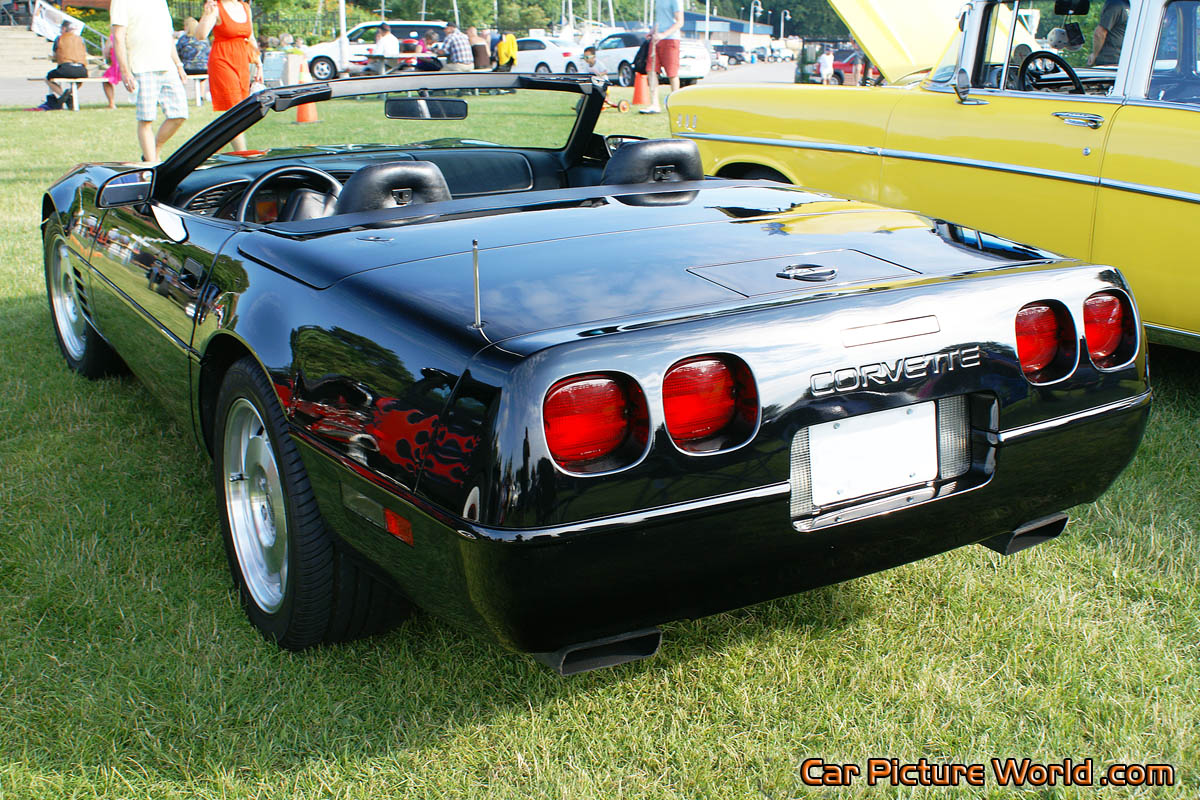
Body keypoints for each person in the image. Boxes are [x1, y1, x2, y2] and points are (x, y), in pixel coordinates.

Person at [111, 0, 189, 161]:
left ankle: (154, 150)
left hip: (168, 66)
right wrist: (125, 71)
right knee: (146, 119)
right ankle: (152, 164)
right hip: (141, 67)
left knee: (179, 115)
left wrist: (179, 65)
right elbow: (118, 38)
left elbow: (168, 37)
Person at [198, 0, 261, 151]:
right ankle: (242, 153)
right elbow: (200, 35)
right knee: (234, 107)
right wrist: (206, 15)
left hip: (242, 60)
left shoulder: (245, 7)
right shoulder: (216, 8)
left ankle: (217, 145)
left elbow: (250, 37)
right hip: (222, 59)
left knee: (241, 107)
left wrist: (259, 63)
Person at [639, 0, 684, 114]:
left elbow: (679, 22)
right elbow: (660, 21)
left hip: (671, 39)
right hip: (656, 39)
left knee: (672, 73)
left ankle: (675, 104)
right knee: (651, 69)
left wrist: (664, 34)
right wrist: (652, 31)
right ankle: (654, 104)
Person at [46, 20, 88, 102]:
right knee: (80, 79)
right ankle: (69, 94)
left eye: (61, 28)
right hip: (82, 70)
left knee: (48, 78)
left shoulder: (59, 39)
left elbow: (54, 54)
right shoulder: (81, 39)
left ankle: (64, 96)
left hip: (66, 68)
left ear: (64, 29)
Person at [1089, 0, 1129, 66]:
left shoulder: (1116, 4)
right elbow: (1100, 33)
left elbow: (1099, 33)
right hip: (1118, 62)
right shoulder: (1135, 7)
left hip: (1112, 62)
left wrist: (1094, 55)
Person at [101, 33, 124, 109]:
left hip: (117, 67)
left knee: (105, 79)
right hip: (132, 66)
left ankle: (111, 103)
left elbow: (106, 53)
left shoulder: (112, 37)